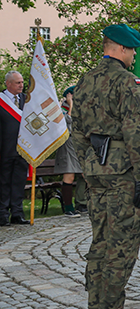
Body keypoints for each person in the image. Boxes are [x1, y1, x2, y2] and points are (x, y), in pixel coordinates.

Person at [70, 23, 140, 309]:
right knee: (122, 243)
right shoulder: (126, 82)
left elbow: (77, 129)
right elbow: (136, 133)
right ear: (118, 48)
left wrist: (89, 162)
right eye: (132, 50)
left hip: (96, 170)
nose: (133, 56)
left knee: (100, 241)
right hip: (123, 173)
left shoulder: (86, 80)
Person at [0, 70, 29, 226]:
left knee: (18, 182)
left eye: (22, 82)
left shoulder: (27, 100)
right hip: (5, 149)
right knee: (3, 183)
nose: (21, 85)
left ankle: (17, 213)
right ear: (8, 84)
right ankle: (2, 213)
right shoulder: (1, 100)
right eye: (18, 83)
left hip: (23, 150)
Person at [54, 86, 83, 217]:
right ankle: (68, 208)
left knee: (85, 175)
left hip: (78, 145)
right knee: (69, 176)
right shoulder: (62, 110)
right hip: (67, 145)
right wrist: (71, 105)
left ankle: (82, 204)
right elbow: (70, 124)